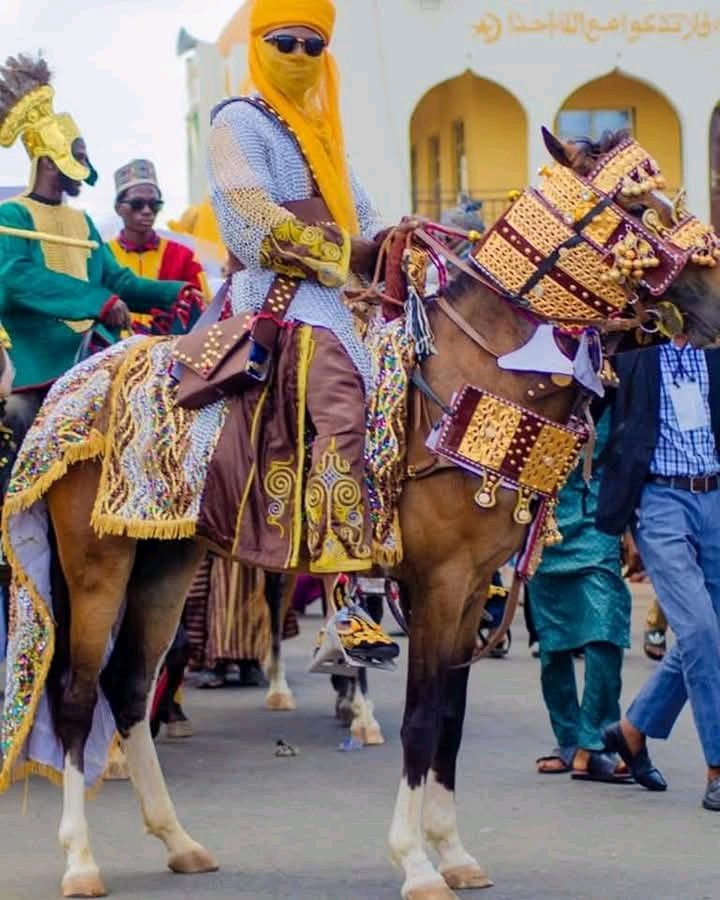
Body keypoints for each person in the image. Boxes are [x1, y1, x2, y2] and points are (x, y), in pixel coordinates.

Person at [205, 0, 398, 663]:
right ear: (260, 45)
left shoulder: (322, 137)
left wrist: (410, 245)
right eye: (284, 42)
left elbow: (369, 220)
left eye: (312, 46)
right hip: (278, 302)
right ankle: (348, 600)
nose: (298, 56)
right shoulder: (237, 122)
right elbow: (253, 223)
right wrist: (350, 254)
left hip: (332, 308)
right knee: (343, 403)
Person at [0, 54, 205, 486]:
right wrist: (100, 301)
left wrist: (177, 293)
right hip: (37, 364)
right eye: (76, 155)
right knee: (17, 417)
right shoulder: (12, 216)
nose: (83, 165)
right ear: (49, 161)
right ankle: (12, 533)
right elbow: (15, 277)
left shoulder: (83, 222)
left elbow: (118, 281)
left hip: (91, 356)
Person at [597, 336, 720, 809]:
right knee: (698, 629)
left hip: (713, 496)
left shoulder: (714, 350)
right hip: (660, 501)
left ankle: (631, 730)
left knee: (706, 635)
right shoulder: (632, 354)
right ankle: (717, 767)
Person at [532, 412, 632, 782]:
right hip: (544, 523)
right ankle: (569, 741)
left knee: (605, 631)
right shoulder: (535, 380)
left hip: (598, 521)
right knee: (552, 643)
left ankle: (598, 741)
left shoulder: (614, 386)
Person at [108, 158, 209, 334]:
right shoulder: (103, 255)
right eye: (137, 204)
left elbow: (204, 309)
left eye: (154, 205)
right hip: (110, 350)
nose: (147, 211)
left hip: (169, 351)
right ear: (118, 208)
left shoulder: (183, 256)